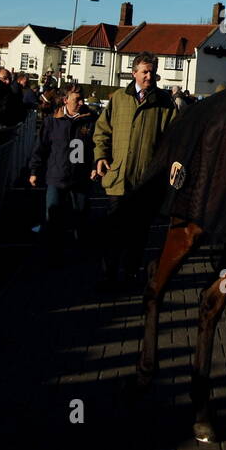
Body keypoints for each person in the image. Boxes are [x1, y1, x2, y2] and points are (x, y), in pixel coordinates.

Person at [93, 53, 179, 283]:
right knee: (113, 231)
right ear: (134, 73)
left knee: (139, 233)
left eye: (152, 71)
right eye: (145, 71)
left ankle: (130, 273)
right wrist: (100, 156)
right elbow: (102, 130)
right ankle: (107, 275)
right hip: (118, 177)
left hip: (146, 180)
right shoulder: (120, 98)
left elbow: (173, 140)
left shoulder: (164, 103)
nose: (149, 76)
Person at [30, 85, 97, 254]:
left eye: (82, 99)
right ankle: (51, 252)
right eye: (77, 99)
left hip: (80, 176)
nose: (81, 102)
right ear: (65, 100)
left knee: (81, 215)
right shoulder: (52, 121)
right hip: (57, 175)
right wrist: (34, 170)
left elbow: (96, 146)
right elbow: (41, 147)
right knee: (52, 216)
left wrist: (96, 165)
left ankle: (80, 251)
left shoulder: (90, 120)